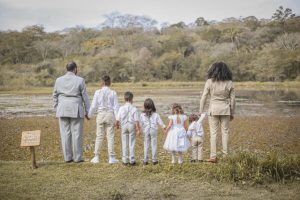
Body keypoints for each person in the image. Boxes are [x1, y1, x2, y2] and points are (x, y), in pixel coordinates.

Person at [53, 61, 90, 163]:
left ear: (67, 69)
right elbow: (85, 97)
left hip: (62, 108)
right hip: (76, 108)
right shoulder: (80, 80)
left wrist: (56, 109)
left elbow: (55, 96)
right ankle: (78, 158)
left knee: (65, 134)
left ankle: (67, 158)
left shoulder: (58, 80)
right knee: (77, 133)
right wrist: (88, 111)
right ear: (75, 69)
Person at [199, 61, 235, 163]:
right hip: (225, 110)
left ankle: (213, 156)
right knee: (225, 132)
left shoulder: (209, 82)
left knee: (213, 133)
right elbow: (233, 100)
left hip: (213, 109)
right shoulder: (230, 83)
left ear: (213, 70)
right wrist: (232, 112)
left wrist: (201, 111)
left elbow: (204, 97)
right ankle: (225, 156)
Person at [88, 75, 119, 164]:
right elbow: (116, 107)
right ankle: (112, 157)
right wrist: (117, 119)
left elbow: (94, 106)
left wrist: (89, 115)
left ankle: (96, 157)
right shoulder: (113, 92)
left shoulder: (97, 92)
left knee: (99, 136)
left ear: (101, 82)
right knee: (110, 136)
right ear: (110, 82)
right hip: (110, 115)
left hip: (100, 115)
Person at [116, 91, 141, 166]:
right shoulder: (134, 108)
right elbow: (136, 120)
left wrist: (117, 125)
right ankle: (132, 160)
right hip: (131, 126)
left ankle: (125, 160)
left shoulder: (121, 108)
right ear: (131, 99)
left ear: (125, 99)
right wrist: (138, 129)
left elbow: (117, 119)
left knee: (124, 143)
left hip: (124, 126)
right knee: (132, 143)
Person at [140, 98, 166, 165]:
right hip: (153, 130)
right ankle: (154, 160)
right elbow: (160, 122)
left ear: (145, 106)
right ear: (152, 106)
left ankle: (145, 160)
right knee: (154, 145)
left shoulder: (142, 115)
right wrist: (164, 127)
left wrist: (140, 129)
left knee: (146, 145)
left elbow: (141, 123)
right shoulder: (156, 114)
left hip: (146, 130)